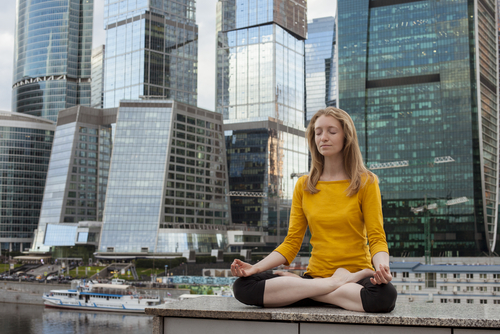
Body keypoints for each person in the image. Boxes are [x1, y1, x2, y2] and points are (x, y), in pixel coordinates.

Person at [231, 107, 397, 313]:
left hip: (358, 277)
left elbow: (377, 237)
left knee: (385, 296)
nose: (323, 138)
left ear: (347, 136)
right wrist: (255, 268)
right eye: (318, 132)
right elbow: (291, 243)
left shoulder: (366, 182)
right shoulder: (304, 185)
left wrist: (382, 268)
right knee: (242, 286)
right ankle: (330, 286)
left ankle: (306, 290)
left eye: (331, 131)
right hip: (324, 278)